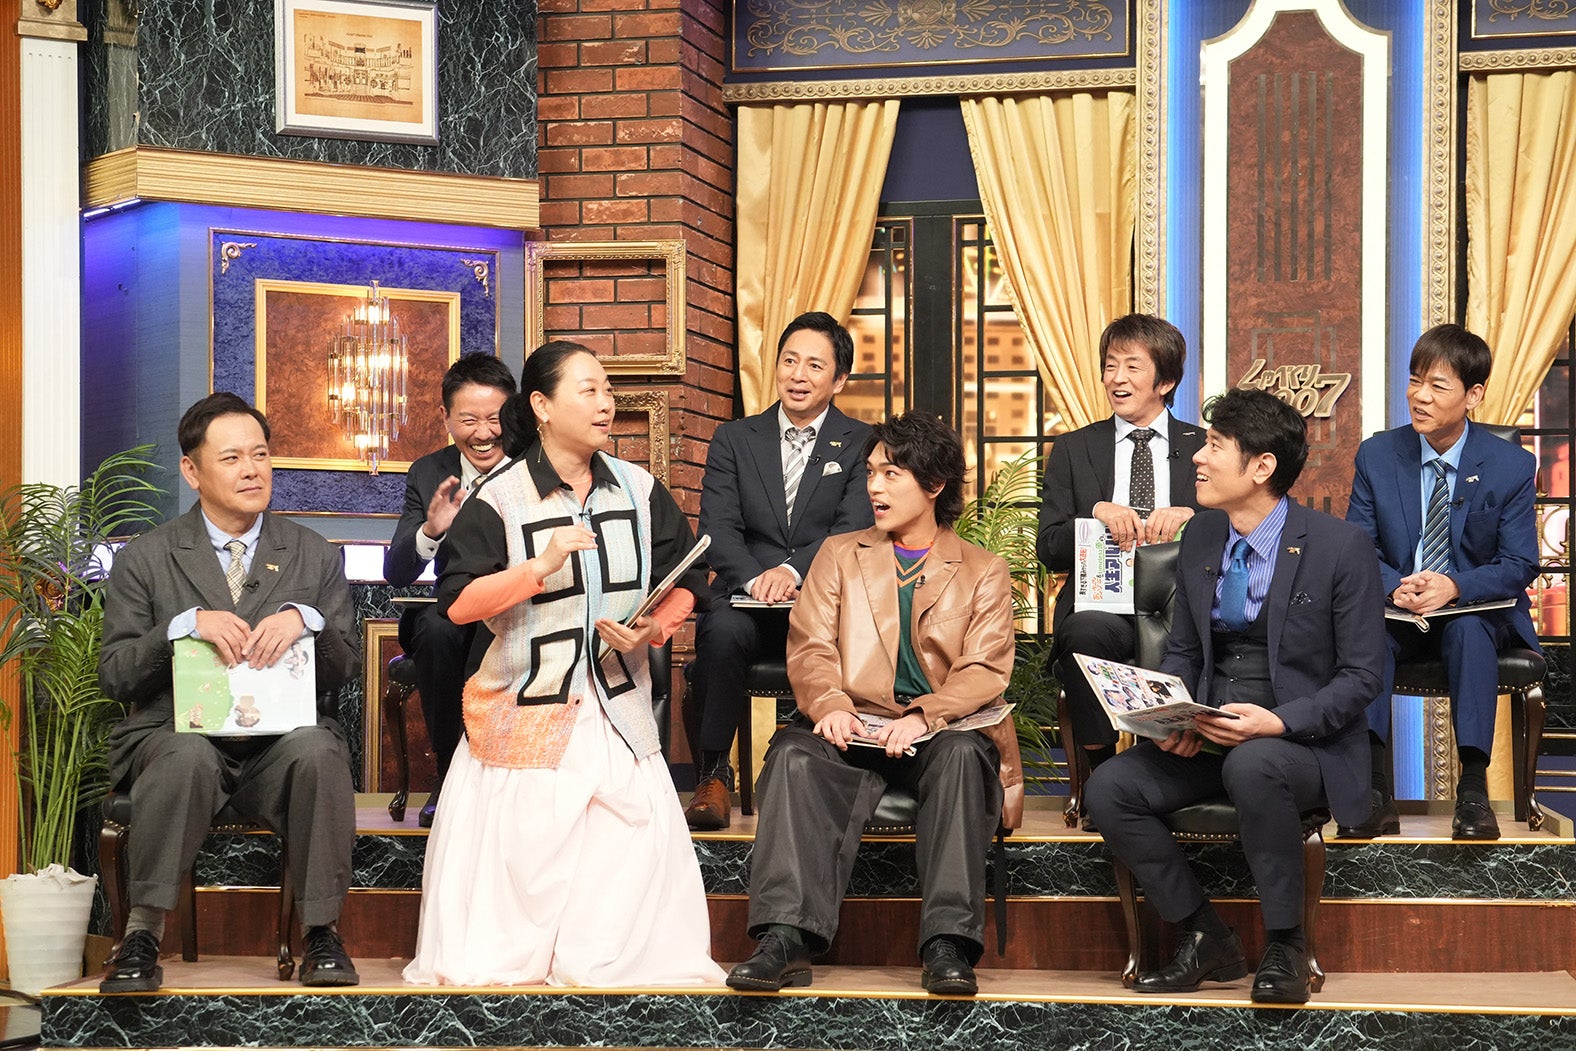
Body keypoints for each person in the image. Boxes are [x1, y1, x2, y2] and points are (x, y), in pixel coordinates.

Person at [402, 341, 723, 987]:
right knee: (522, 878)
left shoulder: (639, 488)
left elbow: (689, 576)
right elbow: (459, 604)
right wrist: (538, 567)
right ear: (543, 406)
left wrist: (655, 627)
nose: (606, 403)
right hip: (527, 707)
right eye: (589, 390)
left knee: (624, 869)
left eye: (608, 390)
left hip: (618, 708)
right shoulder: (498, 497)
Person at [1084, 388, 1385, 1005]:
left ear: (1262, 466)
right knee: (1109, 787)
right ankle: (1204, 935)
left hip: (1303, 743)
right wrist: (1172, 715)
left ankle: (1287, 944)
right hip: (1211, 731)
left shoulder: (1340, 546)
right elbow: (1185, 652)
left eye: (1215, 446)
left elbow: (1361, 677)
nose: (1197, 457)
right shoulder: (1202, 535)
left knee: (1253, 764)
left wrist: (1275, 722)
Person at [727, 411, 1022, 997]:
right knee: (793, 756)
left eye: (891, 473)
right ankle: (784, 939)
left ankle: (947, 945)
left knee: (963, 757)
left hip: (936, 731)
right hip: (849, 724)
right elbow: (811, 645)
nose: (874, 487)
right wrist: (830, 703)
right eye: (870, 473)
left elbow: (985, 668)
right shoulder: (839, 553)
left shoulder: (982, 569)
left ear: (934, 484)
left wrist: (923, 715)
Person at [98, 393, 362, 993]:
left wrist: (309, 622)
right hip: (178, 737)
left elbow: (346, 667)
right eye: (233, 458)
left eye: (261, 455)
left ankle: (322, 934)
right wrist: (179, 629)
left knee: (319, 751)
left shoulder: (313, 553)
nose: (252, 470)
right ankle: (141, 937)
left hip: (277, 747)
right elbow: (115, 675)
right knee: (184, 755)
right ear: (192, 471)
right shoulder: (146, 557)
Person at [1342, 324, 1541, 841]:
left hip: (1473, 610)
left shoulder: (1511, 465)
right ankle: (1374, 791)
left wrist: (1453, 587)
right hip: (1398, 608)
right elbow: (1358, 547)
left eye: (1437, 385)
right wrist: (1394, 586)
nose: (1420, 396)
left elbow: (1520, 562)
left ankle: (1472, 791)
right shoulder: (1378, 455)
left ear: (1473, 395)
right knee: (1365, 632)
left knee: (1468, 631)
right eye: (1414, 381)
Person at [685, 311, 874, 830]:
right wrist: (754, 579)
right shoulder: (735, 438)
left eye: (815, 365)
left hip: (823, 600)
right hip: (746, 599)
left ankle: (804, 762)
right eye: (789, 361)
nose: (798, 375)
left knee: (850, 635)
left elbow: (854, 527)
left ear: (839, 379)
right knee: (721, 630)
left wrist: (792, 572)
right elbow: (717, 527)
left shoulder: (861, 442)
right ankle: (713, 774)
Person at [1036, 314, 1206, 796]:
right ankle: (1099, 772)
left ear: (1165, 381)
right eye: (1110, 366)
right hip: (1104, 607)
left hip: (1183, 609)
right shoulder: (1074, 448)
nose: (1117, 378)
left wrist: (1192, 517)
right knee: (1083, 630)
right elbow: (1048, 547)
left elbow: (1240, 529)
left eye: (1133, 366)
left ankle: (1170, 776)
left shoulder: (1203, 446)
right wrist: (1094, 513)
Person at [384, 353, 517, 826]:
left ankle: (507, 780)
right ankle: (448, 773)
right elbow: (397, 572)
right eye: (469, 420)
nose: (484, 434)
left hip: (521, 606)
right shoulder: (428, 472)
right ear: (445, 417)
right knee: (437, 631)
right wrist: (431, 530)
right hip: (456, 609)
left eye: (495, 419)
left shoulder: (535, 464)